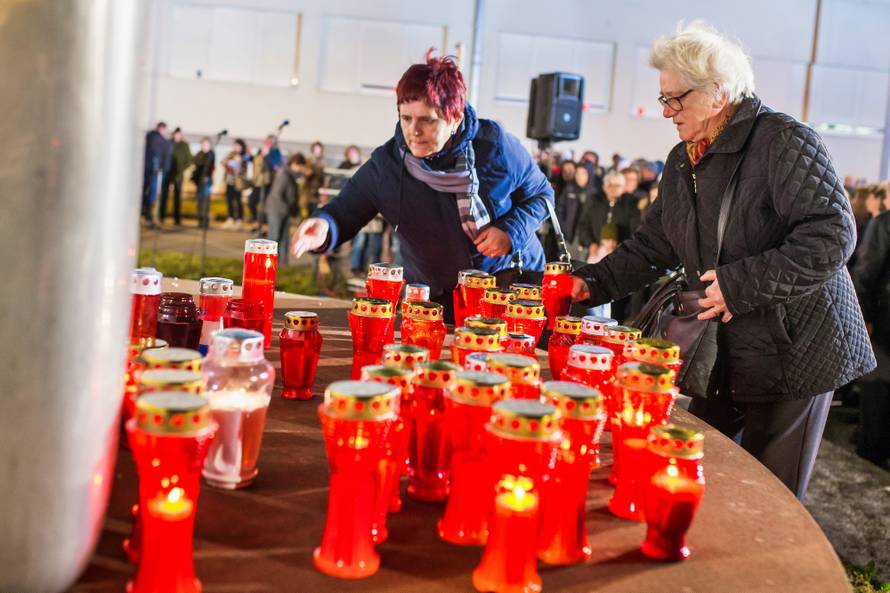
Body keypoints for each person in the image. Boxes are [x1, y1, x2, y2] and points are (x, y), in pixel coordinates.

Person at [569, 21, 875, 500]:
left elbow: (833, 234)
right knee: (708, 476)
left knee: (770, 499)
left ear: (719, 92)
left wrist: (739, 283)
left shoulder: (784, 141)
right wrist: (590, 285)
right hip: (727, 349)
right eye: (664, 98)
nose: (666, 110)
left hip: (796, 350)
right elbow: (654, 245)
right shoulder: (682, 158)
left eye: (677, 98)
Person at [292, 50, 553, 320]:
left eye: (427, 120)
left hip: (508, 290)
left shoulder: (496, 147)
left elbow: (542, 196)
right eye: (406, 118)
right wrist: (324, 225)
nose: (413, 131)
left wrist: (510, 231)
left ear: (455, 118)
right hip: (436, 299)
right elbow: (346, 208)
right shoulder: (389, 164)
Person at [853, 206, 890, 469]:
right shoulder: (884, 224)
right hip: (882, 328)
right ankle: (869, 466)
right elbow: (865, 274)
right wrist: (864, 317)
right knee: (877, 407)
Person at [264, 153, 307, 266]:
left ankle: (282, 265)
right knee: (274, 238)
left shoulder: (291, 175)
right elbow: (277, 194)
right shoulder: (284, 174)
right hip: (276, 210)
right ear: (296, 164)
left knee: (284, 239)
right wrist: (288, 208)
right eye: (301, 167)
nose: (302, 170)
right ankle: (268, 264)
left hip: (284, 211)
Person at [249, 135, 283, 232]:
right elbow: (256, 162)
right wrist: (249, 156)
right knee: (252, 201)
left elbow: (275, 166)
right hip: (259, 182)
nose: (267, 143)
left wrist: (267, 155)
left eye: (269, 141)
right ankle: (256, 222)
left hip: (269, 183)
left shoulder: (276, 152)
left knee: (265, 205)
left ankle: (264, 226)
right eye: (266, 141)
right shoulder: (261, 151)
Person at [159, 127, 192, 226]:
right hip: (167, 174)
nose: (177, 136)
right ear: (173, 134)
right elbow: (162, 156)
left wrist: (181, 169)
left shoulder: (184, 145)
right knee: (164, 196)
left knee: (177, 197)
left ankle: (177, 219)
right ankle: (161, 217)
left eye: (179, 134)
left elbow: (189, 160)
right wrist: (163, 168)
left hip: (178, 175)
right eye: (176, 134)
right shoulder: (168, 143)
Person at [141, 121, 170, 228]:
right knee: (152, 195)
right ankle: (149, 217)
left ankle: (147, 216)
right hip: (154, 172)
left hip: (150, 171)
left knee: (149, 194)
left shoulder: (150, 137)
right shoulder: (158, 140)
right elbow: (164, 151)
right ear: (161, 129)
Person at [222, 139, 249, 229]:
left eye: (238, 146)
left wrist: (235, 163)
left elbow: (241, 169)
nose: (236, 147)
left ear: (242, 147)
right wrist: (228, 162)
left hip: (238, 183)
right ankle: (230, 219)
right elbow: (223, 162)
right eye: (235, 145)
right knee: (229, 200)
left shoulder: (244, 157)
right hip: (229, 181)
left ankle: (239, 220)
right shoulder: (230, 154)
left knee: (238, 201)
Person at [191, 137, 215, 229]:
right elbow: (195, 162)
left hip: (207, 180)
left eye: (206, 144)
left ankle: (205, 221)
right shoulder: (199, 154)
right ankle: (200, 220)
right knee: (199, 200)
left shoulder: (210, 154)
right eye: (203, 144)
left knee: (205, 201)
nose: (204, 146)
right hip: (199, 181)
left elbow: (209, 166)